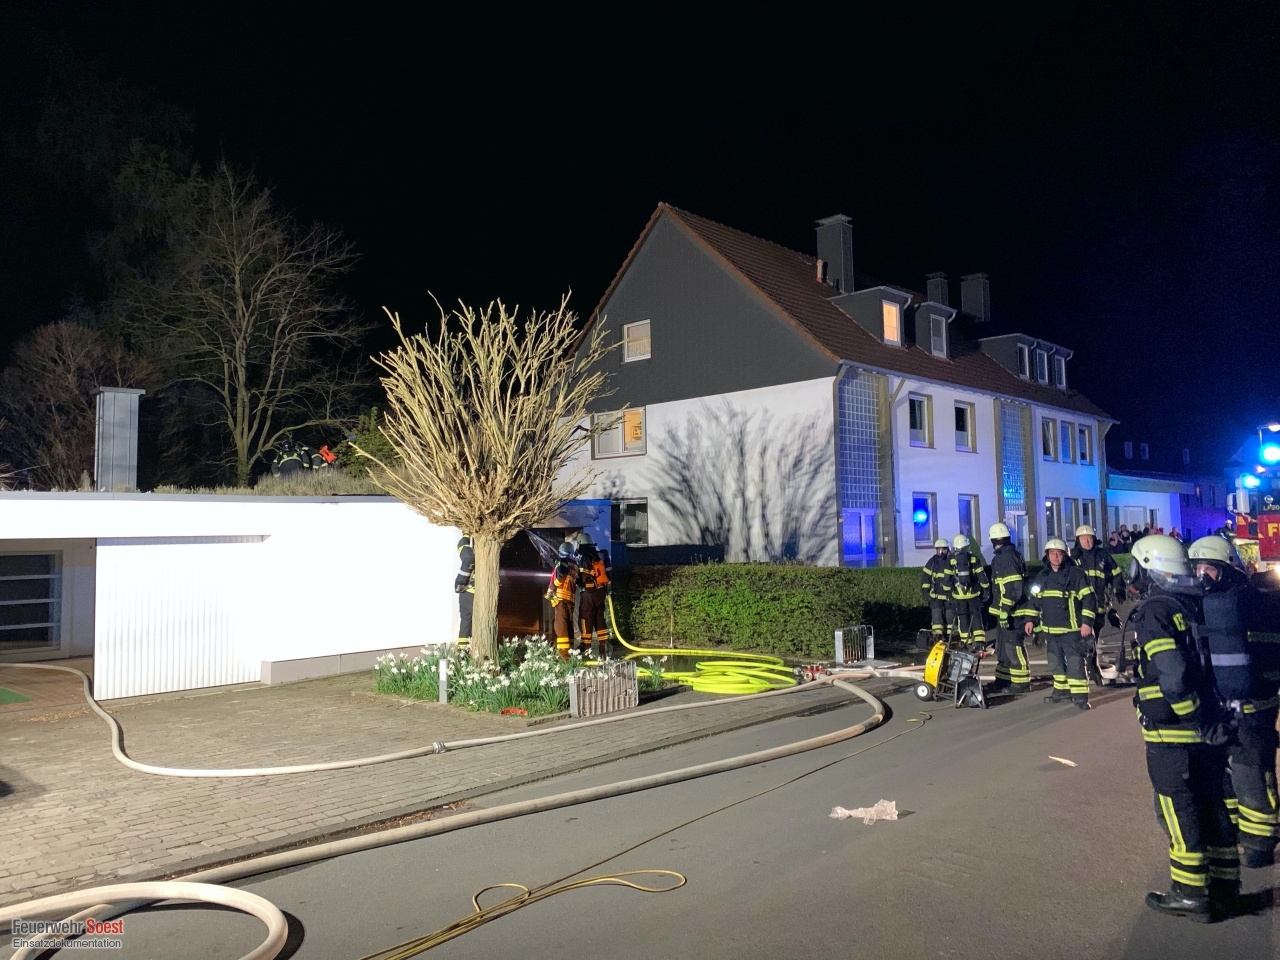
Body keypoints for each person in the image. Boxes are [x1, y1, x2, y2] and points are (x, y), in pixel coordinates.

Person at [1127, 534, 1239, 921]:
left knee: (1179, 809)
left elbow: (1172, 677)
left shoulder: (1156, 610)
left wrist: (1192, 717)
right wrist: (1206, 722)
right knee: (1213, 803)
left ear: (1147, 567)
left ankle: (1190, 892)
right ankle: (1225, 885)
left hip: (1172, 732)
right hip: (1208, 726)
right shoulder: (1196, 603)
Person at [1188, 535, 1280, 870]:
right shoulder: (1202, 604)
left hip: (1255, 704)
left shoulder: (1253, 601)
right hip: (1221, 705)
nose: (1202, 575)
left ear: (1227, 569)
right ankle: (1235, 832)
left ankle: (1260, 842)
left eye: (1209, 568)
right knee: (1224, 773)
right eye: (1197, 568)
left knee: (1251, 772)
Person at [1017, 537, 1095, 709]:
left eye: (1059, 553)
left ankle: (1080, 698)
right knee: (1055, 663)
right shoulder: (1042, 577)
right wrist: (1030, 620)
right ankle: (1061, 691)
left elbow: (1089, 599)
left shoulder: (1076, 575)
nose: (1055, 557)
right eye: (1052, 553)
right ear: (1047, 555)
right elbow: (1034, 600)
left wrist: (1086, 623)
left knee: (1075, 664)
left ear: (1065, 555)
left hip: (1072, 630)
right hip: (1050, 630)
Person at [1071, 524, 1125, 684]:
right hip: (1079, 607)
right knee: (1083, 638)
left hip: (1099, 605)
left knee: (1093, 638)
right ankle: (1088, 667)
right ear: (1078, 540)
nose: (1087, 541)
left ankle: (1090, 666)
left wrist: (1119, 590)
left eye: (1089, 538)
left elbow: (1116, 573)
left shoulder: (1103, 555)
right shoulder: (1073, 558)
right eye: (1083, 539)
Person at [987, 522, 1030, 694]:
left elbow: (1013, 588)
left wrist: (1004, 610)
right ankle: (1003, 680)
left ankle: (1021, 683)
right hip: (1006, 613)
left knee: (1013, 647)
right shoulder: (1010, 555)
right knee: (1003, 649)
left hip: (1013, 614)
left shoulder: (1005, 558)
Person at [945, 535, 990, 649]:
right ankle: (980, 643)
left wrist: (949, 594)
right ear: (967, 545)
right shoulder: (973, 558)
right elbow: (982, 576)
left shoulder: (951, 560)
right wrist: (985, 590)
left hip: (959, 596)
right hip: (973, 595)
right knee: (976, 617)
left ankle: (966, 643)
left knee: (963, 619)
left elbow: (946, 580)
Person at [575, 535, 613, 659]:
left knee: (586, 618)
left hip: (589, 593)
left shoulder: (585, 557)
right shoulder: (599, 555)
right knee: (599, 618)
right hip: (600, 592)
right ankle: (604, 645)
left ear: (581, 544)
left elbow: (585, 576)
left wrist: (577, 579)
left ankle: (585, 646)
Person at [546, 541, 580, 660]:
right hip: (570, 600)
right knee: (569, 626)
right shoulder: (575, 565)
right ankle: (570, 652)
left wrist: (551, 588)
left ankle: (564, 656)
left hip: (560, 599)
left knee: (561, 627)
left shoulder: (563, 563)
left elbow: (561, 576)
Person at [920, 538, 953, 642]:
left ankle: (951, 637)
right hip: (936, 596)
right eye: (939, 550)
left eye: (943, 549)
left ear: (948, 549)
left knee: (950, 616)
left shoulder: (952, 561)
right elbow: (925, 578)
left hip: (949, 595)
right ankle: (938, 637)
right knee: (936, 616)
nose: (941, 552)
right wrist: (926, 594)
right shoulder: (932, 562)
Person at [454, 535, 475, 651]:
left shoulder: (467, 549)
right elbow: (468, 557)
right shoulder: (472, 554)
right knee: (470, 623)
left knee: (466, 623)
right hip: (471, 593)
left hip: (466, 591)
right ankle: (467, 650)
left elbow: (463, 549)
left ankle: (462, 652)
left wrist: (466, 536)